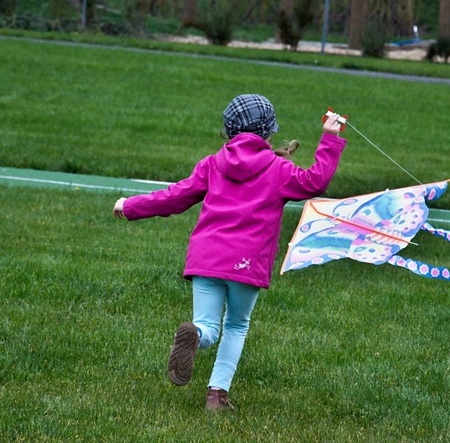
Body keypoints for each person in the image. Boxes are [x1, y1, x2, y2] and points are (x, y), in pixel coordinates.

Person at [113, 94, 346, 411]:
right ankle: (217, 396)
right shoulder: (279, 169)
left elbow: (174, 197)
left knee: (208, 326)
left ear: (230, 130)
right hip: (247, 263)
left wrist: (130, 205)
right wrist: (329, 138)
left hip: (206, 259)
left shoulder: (211, 164)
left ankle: (196, 334)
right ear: (268, 131)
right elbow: (315, 181)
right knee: (236, 325)